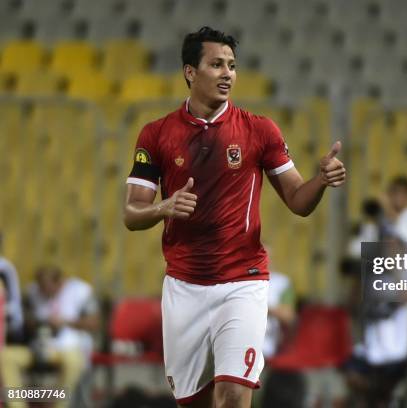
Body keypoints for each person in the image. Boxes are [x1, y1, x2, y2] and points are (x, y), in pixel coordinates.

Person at [123, 26, 346, 408]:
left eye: (232, 65)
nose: (227, 73)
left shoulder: (260, 130)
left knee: (232, 394)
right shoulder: (156, 134)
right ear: (190, 72)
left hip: (242, 282)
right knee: (195, 401)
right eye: (216, 64)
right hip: (184, 286)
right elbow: (132, 213)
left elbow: (297, 199)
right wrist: (163, 207)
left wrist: (321, 181)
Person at [0, 266, 99, 408]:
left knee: (74, 362)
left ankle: (59, 405)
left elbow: (94, 323)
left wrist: (65, 322)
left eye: (48, 287)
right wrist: (37, 323)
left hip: (67, 348)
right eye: (41, 287)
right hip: (37, 347)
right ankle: (17, 405)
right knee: (5, 357)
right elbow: (22, 321)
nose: (44, 292)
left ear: (60, 282)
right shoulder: (33, 292)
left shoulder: (80, 291)